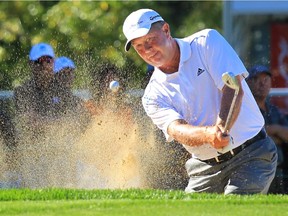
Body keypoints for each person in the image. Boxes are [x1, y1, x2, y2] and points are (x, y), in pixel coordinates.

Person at [122, 8, 277, 194]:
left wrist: (221, 129)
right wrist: (209, 135)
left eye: (150, 40)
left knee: (234, 209)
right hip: (203, 168)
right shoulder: (152, 95)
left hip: (252, 153)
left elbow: (234, 88)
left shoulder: (206, 41)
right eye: (139, 46)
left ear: (166, 30)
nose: (147, 50)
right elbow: (176, 129)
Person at [246, 65, 288, 194]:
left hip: (279, 169)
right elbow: (253, 136)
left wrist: (272, 130)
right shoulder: (245, 109)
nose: (261, 83)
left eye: (266, 79)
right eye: (256, 79)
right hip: (256, 169)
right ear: (248, 82)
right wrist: (276, 132)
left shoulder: (274, 110)